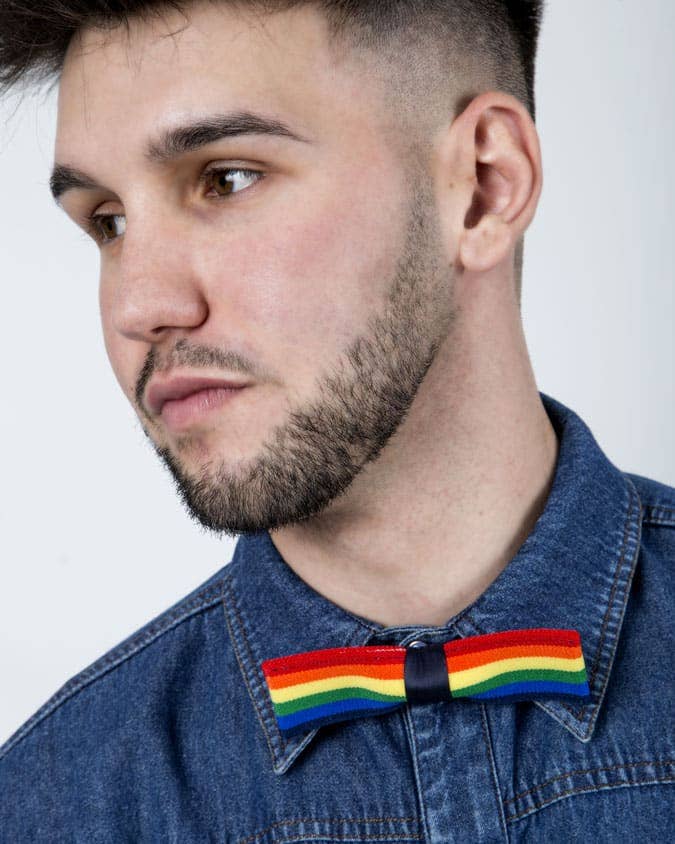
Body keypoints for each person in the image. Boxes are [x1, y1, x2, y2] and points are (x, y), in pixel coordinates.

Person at [0, 1, 672, 841]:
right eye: (109, 221)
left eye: (226, 179)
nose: (139, 306)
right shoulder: (52, 809)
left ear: (482, 188)